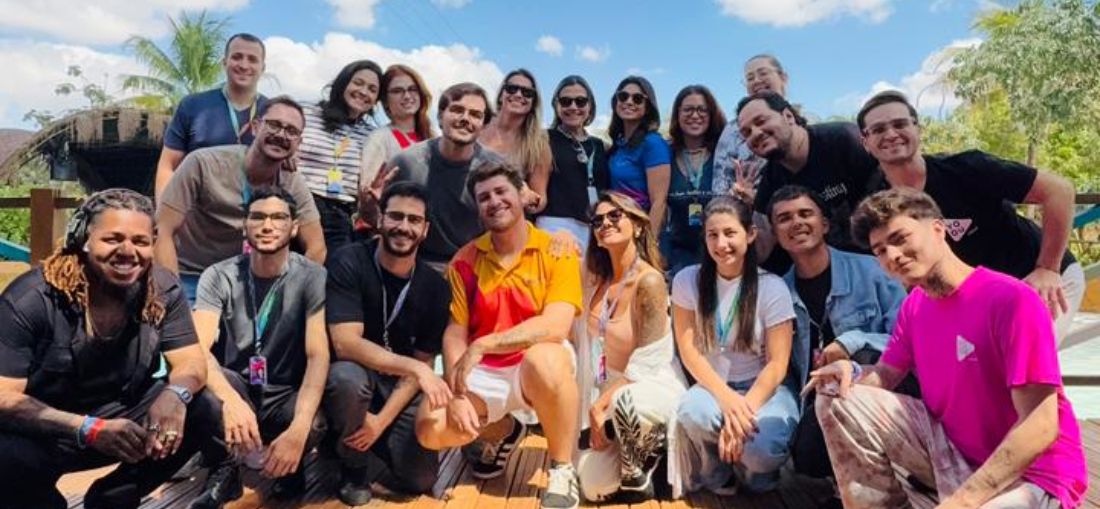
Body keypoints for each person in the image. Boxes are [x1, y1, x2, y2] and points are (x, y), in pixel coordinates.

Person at [808, 187, 1088, 509]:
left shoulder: (1011, 300)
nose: (892, 256)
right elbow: (885, 375)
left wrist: (963, 501)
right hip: (956, 456)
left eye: (900, 238)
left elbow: (1041, 425)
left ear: (938, 229)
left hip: (1033, 474)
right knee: (836, 395)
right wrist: (851, 370)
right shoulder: (914, 306)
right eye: (880, 250)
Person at [0, 189, 215, 509]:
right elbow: (4, 396)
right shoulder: (32, 298)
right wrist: (88, 429)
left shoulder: (162, 288)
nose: (128, 251)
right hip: (46, 431)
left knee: (207, 403)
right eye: (113, 239)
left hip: (124, 421)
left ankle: (114, 496)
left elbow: (192, 362)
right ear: (82, 239)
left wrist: (175, 395)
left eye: (140, 241)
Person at [414, 161, 583, 509]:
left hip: (536, 362)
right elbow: (455, 333)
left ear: (521, 195)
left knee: (545, 358)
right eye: (484, 197)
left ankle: (562, 468)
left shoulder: (556, 249)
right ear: (477, 208)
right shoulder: (465, 259)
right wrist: (457, 392)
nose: (494, 201)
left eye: (501, 191)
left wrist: (486, 342)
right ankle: (505, 430)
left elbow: (556, 326)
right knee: (430, 427)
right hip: (487, 369)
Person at [856, 90, 1083, 341]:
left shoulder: (967, 168)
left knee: (1024, 356)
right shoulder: (877, 200)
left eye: (900, 124)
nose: (890, 134)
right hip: (975, 298)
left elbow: (1059, 191)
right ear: (865, 142)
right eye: (878, 129)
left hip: (1035, 279)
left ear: (918, 129)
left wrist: (1048, 268)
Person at [188, 187, 329, 507]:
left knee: (314, 421)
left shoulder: (312, 277)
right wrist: (229, 401)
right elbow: (196, 349)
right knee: (202, 390)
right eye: (258, 217)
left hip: (285, 392)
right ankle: (225, 470)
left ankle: (290, 467)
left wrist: (299, 429)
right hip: (238, 385)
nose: (267, 226)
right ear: (244, 226)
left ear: (294, 227)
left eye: (278, 218)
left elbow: (317, 355)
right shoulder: (218, 275)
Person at [765, 185, 907, 483]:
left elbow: (908, 340)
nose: (797, 223)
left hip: (883, 387)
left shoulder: (873, 270)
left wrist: (852, 340)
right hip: (820, 396)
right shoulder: (778, 293)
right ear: (775, 234)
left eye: (806, 214)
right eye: (785, 218)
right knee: (807, 458)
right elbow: (783, 368)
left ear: (825, 224)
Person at [324, 182, 452, 506]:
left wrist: (380, 422)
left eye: (414, 220)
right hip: (356, 376)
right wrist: (414, 368)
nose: (403, 227)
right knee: (346, 379)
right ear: (380, 219)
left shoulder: (435, 287)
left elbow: (424, 360)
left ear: (425, 230)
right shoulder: (348, 261)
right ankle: (353, 467)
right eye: (395, 216)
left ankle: (364, 439)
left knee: (420, 479)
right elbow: (345, 343)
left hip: (398, 387)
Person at [671, 195, 797, 497]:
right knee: (693, 413)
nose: (721, 244)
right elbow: (689, 351)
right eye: (712, 235)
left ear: (750, 234)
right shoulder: (687, 280)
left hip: (763, 389)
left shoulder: (772, 287)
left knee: (761, 450)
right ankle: (717, 474)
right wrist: (727, 398)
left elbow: (777, 364)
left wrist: (742, 412)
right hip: (714, 387)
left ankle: (754, 473)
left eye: (730, 233)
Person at [155, 96, 325, 303]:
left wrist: (288, 293)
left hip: (247, 284)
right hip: (191, 275)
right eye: (274, 125)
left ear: (298, 142)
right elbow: (162, 230)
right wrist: (173, 296)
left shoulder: (292, 181)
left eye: (291, 131)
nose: (281, 135)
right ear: (255, 127)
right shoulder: (203, 164)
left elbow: (317, 247)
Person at [575, 192, 685, 502]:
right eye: (598, 221)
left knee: (626, 403)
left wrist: (600, 404)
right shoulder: (596, 279)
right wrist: (561, 240)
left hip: (648, 384)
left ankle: (650, 454)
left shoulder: (649, 281)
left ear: (637, 226)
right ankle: (636, 456)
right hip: (610, 387)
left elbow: (648, 360)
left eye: (615, 216)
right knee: (593, 487)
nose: (605, 224)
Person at [363, 82, 503, 272]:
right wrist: (369, 205)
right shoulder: (406, 162)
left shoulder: (497, 169)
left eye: (475, 114)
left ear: (483, 126)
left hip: (474, 268)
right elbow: (376, 221)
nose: (465, 118)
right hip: (414, 265)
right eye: (457, 110)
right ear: (440, 116)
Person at [735, 91, 879, 269]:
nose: (755, 133)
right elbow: (762, 248)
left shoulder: (845, 140)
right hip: (829, 270)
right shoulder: (770, 181)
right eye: (746, 132)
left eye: (761, 121)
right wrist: (741, 210)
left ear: (788, 116)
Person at [156, 33, 267, 199]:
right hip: (196, 210)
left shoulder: (273, 114)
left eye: (252, 59)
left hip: (255, 211)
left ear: (262, 68)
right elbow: (168, 166)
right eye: (237, 57)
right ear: (224, 62)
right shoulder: (193, 105)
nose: (244, 65)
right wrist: (162, 210)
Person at [296, 60, 382, 251]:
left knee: (336, 266)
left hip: (340, 214)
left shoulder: (373, 136)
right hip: (299, 203)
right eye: (358, 83)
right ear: (343, 83)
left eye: (372, 89)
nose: (364, 92)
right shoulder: (306, 113)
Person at [358, 64, 435, 234]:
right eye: (398, 91)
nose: (407, 96)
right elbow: (367, 192)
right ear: (385, 101)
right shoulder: (380, 138)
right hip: (390, 231)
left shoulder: (432, 138)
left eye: (412, 89)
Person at [537, 75, 610, 251]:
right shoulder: (544, 139)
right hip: (555, 227)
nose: (573, 107)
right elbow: (538, 193)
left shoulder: (600, 145)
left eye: (580, 101)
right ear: (556, 105)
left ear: (590, 105)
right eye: (566, 101)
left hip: (595, 228)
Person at [663, 85, 727, 276]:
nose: (695, 115)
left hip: (721, 251)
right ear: (677, 114)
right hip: (678, 254)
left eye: (702, 110)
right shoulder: (665, 153)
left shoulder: (724, 152)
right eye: (688, 109)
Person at [712, 54, 787, 196]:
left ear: (783, 77)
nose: (757, 81)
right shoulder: (733, 129)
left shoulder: (804, 122)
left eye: (763, 73)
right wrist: (738, 195)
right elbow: (720, 188)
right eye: (750, 78)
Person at [479, 69, 553, 213]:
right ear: (501, 95)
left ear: (533, 102)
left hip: (499, 217)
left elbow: (540, 200)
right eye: (512, 89)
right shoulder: (480, 122)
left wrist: (528, 197)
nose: (518, 95)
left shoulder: (538, 145)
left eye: (527, 93)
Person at [607, 75, 671, 232]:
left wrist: (650, 242)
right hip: (618, 228)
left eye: (637, 99)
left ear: (648, 107)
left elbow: (659, 202)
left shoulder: (653, 144)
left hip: (641, 230)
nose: (629, 102)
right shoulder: (618, 145)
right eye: (623, 96)